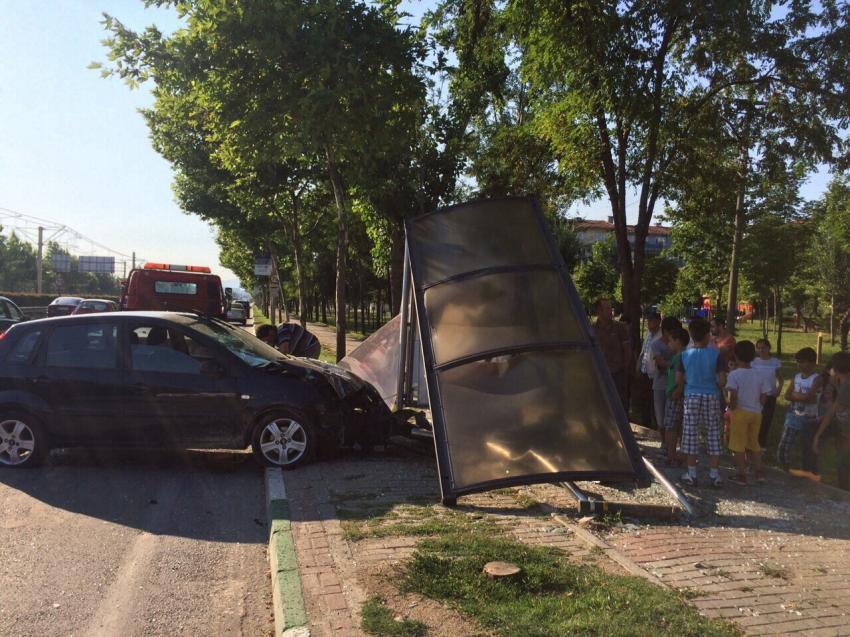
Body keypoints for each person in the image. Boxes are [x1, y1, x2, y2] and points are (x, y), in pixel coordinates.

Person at [677, 318, 728, 487]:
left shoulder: (683, 355)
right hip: (711, 395)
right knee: (713, 433)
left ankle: (691, 473)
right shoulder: (716, 355)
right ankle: (714, 475)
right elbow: (722, 381)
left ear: (691, 335)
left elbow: (679, 379)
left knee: (690, 433)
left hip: (691, 395)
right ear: (708, 335)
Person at [725, 340, 773, 485]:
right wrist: (759, 406)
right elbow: (765, 395)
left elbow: (732, 395)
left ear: (736, 356)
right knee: (754, 442)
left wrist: (731, 407)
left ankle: (741, 474)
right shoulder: (759, 374)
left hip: (740, 412)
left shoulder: (734, 375)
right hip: (756, 412)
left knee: (738, 444)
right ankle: (759, 472)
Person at [778, 347, 822, 478]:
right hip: (794, 414)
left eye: (803, 362)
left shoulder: (817, 378)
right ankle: (785, 468)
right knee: (784, 444)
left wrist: (797, 395)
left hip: (810, 418)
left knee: (807, 447)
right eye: (798, 362)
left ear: (812, 363)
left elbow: (811, 398)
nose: (800, 365)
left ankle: (809, 472)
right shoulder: (796, 377)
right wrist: (801, 396)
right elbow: (787, 395)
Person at [813, 352, 850, 491]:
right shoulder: (842, 383)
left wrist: (817, 436)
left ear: (836, 369)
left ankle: (844, 493)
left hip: (846, 432)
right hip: (843, 429)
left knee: (844, 463)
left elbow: (831, 413)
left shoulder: (846, 386)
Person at [592, 298, 631, 411]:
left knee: (619, 406)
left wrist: (623, 370)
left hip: (617, 374)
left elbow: (627, 352)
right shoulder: (592, 329)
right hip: (599, 374)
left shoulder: (620, 328)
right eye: (608, 308)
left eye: (611, 308)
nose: (611, 311)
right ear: (599, 311)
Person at [662, 326, 689, 466]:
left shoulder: (681, 357)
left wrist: (678, 388)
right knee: (676, 426)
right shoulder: (678, 357)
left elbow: (683, 376)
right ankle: (675, 455)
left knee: (671, 426)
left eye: (670, 341)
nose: (668, 344)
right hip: (675, 393)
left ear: (678, 342)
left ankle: (672, 455)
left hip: (675, 394)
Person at [752, 338, 784, 451]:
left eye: (763, 347)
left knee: (766, 419)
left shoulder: (775, 361)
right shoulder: (754, 362)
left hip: (770, 395)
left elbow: (781, 378)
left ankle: (762, 443)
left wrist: (779, 390)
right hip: (756, 395)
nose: (761, 350)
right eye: (759, 348)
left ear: (769, 348)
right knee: (756, 418)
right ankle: (753, 441)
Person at [651, 316, 681, 435]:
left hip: (675, 385)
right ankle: (663, 443)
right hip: (660, 384)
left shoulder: (678, 344)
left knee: (674, 418)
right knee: (661, 417)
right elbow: (659, 361)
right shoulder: (656, 344)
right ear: (666, 331)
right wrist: (675, 366)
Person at [637, 310, 663, 427]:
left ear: (658, 322)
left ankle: (656, 425)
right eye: (648, 321)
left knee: (654, 402)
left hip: (654, 373)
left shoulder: (661, 336)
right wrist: (638, 365)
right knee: (644, 399)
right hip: (644, 371)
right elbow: (644, 352)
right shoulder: (648, 335)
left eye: (652, 321)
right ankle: (645, 423)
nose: (649, 323)